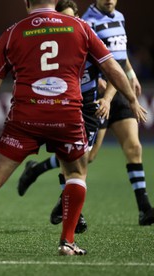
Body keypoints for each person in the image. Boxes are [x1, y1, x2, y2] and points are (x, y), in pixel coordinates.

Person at [0, 0, 146, 257]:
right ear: (55, 1)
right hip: (67, 114)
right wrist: (132, 99)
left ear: (26, 2)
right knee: (76, 171)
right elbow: (112, 67)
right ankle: (67, 242)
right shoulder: (81, 27)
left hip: (26, 116)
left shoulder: (13, 32)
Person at [17, 0, 154, 227]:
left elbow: (118, 56)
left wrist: (130, 73)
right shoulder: (84, 25)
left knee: (134, 147)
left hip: (114, 90)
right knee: (84, 157)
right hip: (97, 97)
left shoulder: (119, 17)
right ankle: (43, 176)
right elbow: (104, 64)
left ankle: (144, 209)